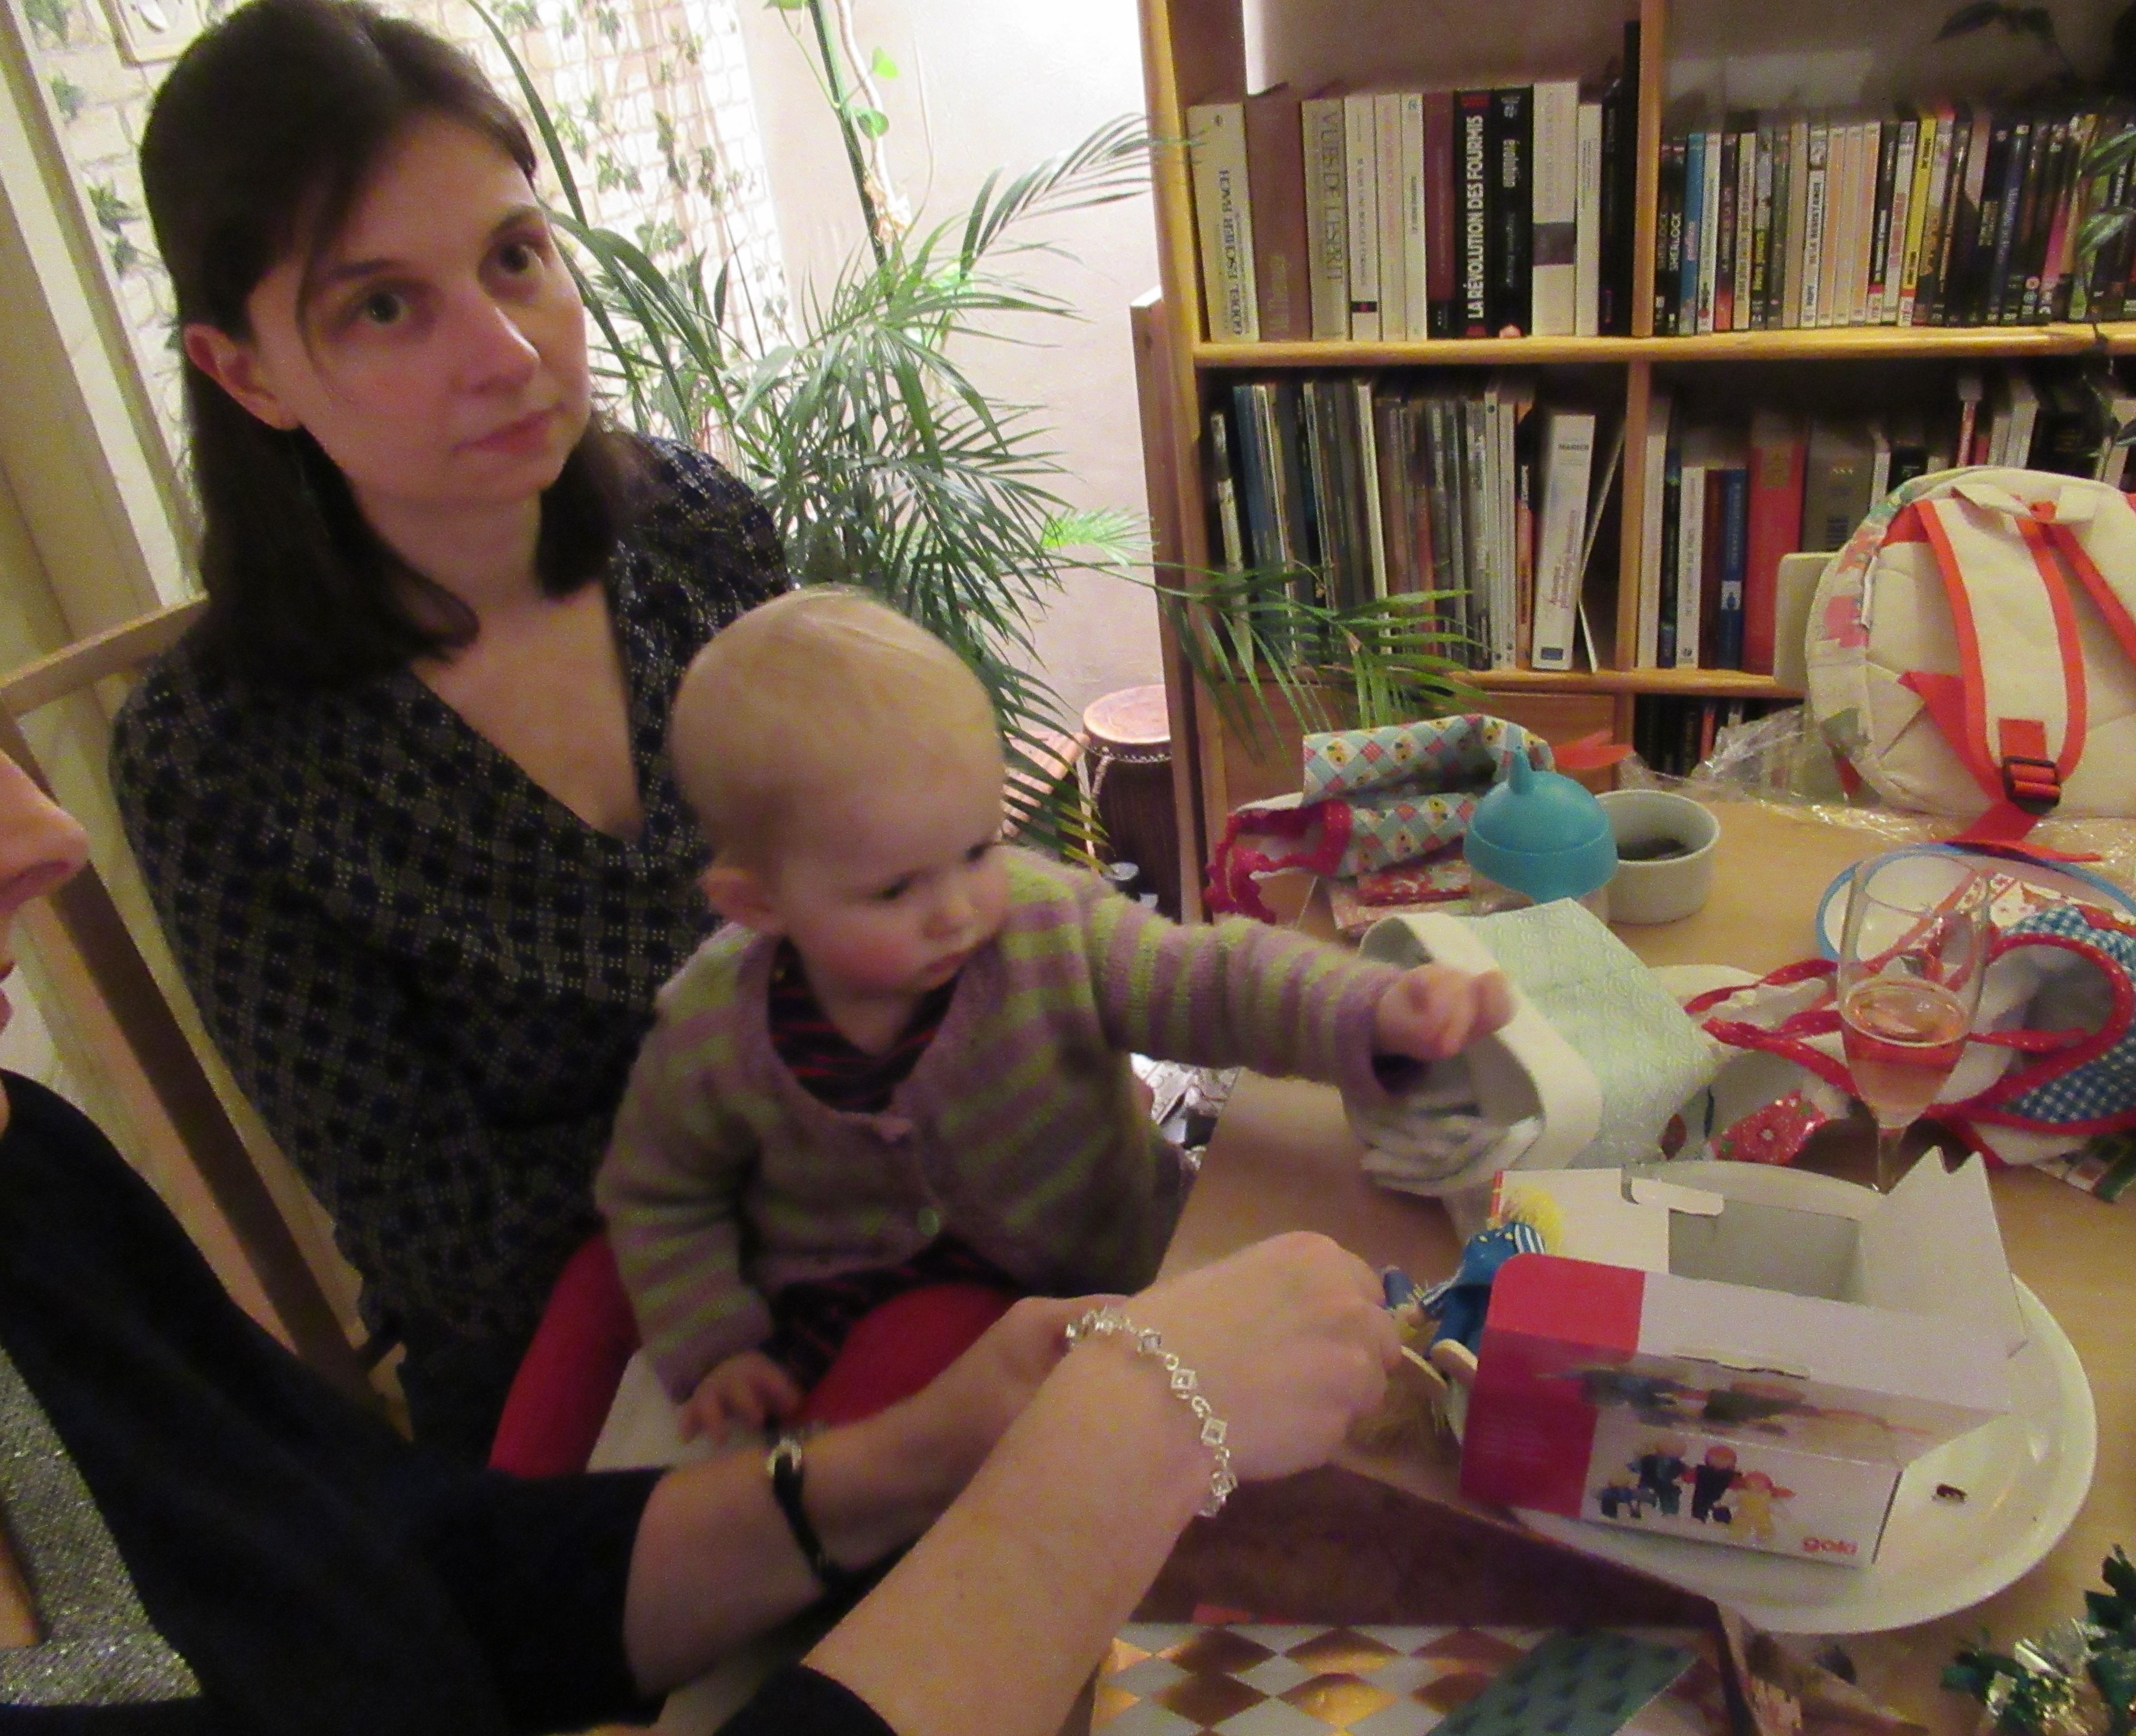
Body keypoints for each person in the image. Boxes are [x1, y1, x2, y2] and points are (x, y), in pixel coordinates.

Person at [0, 739, 1402, 1731]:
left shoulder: (29, 1169)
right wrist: (1132, 1434)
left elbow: (410, 1566)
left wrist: (926, 1450)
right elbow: (601, 1267)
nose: (47, 840)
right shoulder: (718, 1039)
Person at [111, 0, 790, 1456]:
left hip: (879, 1188)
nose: (507, 352)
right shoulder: (220, 757)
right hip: (586, 1357)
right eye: (383, 305)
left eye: (514, 257)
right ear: (246, 372)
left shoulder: (700, 537)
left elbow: (873, 856)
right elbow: (447, 1235)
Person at [597, 588, 1514, 1437]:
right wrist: (713, 1343)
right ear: (759, 903)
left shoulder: (1043, 925)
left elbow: (1213, 982)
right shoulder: (710, 1030)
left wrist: (1372, 1009)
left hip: (1123, 1270)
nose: (957, 908)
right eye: (894, 890)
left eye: (976, 850)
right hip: (857, 1352)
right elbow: (660, 1194)